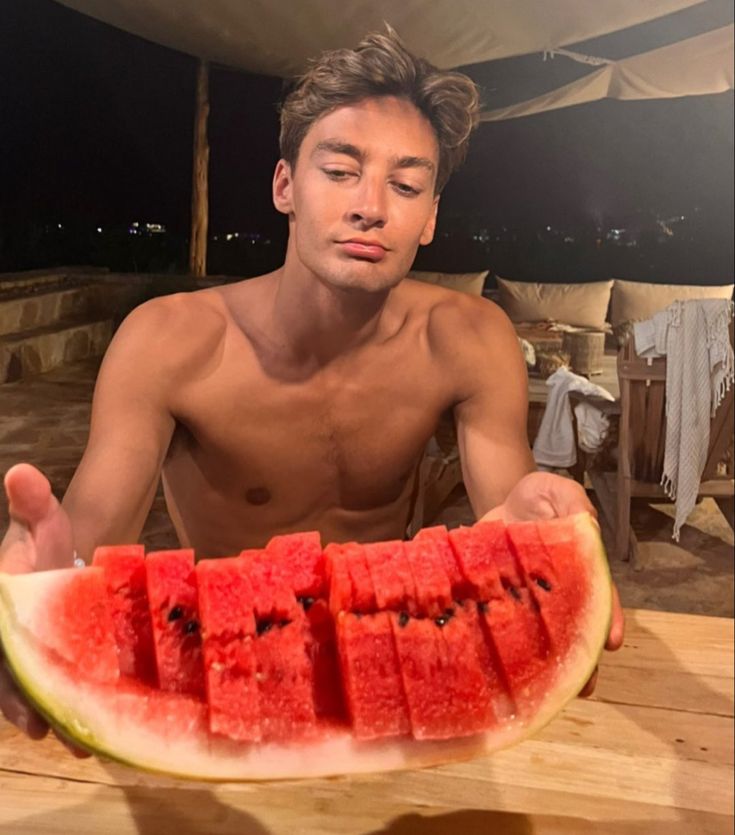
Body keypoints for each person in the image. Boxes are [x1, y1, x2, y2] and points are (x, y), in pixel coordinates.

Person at [1, 28, 624, 744]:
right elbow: (90, 524)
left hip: (388, 684)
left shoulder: (469, 338)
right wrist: (44, 582)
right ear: (284, 187)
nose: (371, 205)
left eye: (406, 184)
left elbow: (507, 502)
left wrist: (534, 523)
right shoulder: (167, 340)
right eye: (339, 170)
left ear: (429, 219)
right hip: (227, 686)